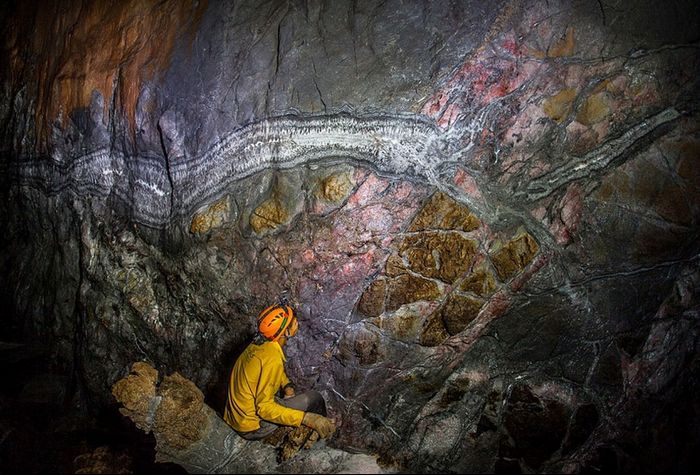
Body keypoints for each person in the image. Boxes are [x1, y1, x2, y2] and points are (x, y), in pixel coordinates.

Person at [223, 302, 336, 441]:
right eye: (293, 322)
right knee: (314, 398)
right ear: (285, 332)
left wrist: (287, 385)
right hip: (252, 426)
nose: (297, 323)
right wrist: (306, 419)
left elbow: (264, 371)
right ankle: (324, 433)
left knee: (289, 399)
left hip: (235, 415)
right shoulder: (273, 358)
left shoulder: (259, 344)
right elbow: (264, 409)